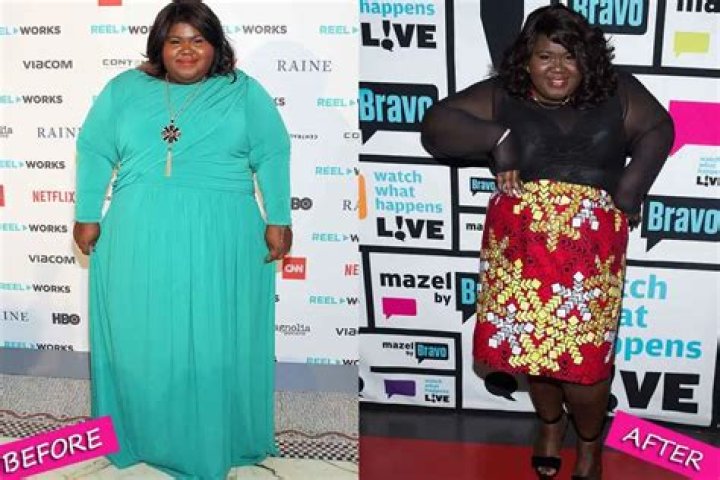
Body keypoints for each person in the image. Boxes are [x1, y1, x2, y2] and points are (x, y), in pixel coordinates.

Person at [421, 5, 673, 480]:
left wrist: (631, 188)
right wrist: (499, 138)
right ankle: (551, 427)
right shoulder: (504, 94)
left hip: (590, 253)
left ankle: (591, 444)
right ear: (526, 60)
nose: (558, 68)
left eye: (569, 56)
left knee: (585, 367)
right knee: (535, 355)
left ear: (586, 60)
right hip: (520, 250)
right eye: (544, 57)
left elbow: (659, 128)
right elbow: (436, 125)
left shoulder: (616, 90)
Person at [73, 0, 291, 477]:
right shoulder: (124, 90)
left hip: (222, 233)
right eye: (175, 41)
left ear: (216, 46)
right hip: (138, 231)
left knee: (215, 338)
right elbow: (93, 147)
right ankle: (140, 433)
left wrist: (279, 216)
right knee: (140, 334)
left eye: (198, 40)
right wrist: (87, 212)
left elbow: (273, 152)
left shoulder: (243, 92)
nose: (186, 51)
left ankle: (215, 438)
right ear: (160, 46)